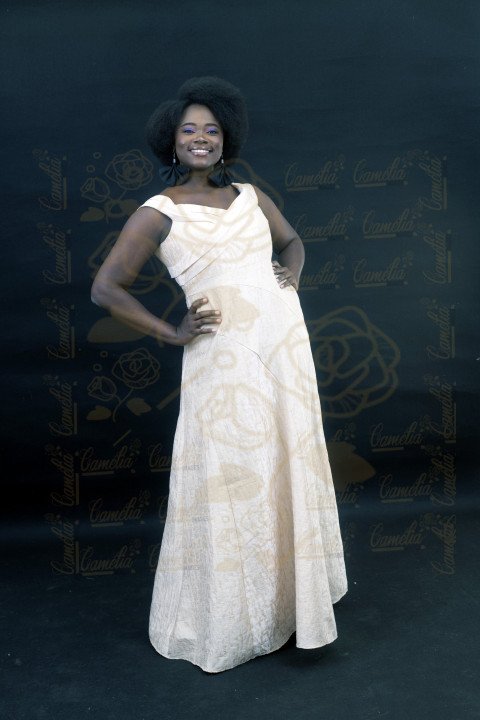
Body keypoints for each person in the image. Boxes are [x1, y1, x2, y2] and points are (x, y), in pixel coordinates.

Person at [91, 76, 348, 674]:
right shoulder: (157, 212)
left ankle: (291, 605)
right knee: (233, 477)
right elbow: (106, 288)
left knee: (284, 462)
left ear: (225, 139)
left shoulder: (252, 197)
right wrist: (173, 331)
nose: (201, 138)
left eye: (211, 129)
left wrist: (290, 278)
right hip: (223, 360)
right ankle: (233, 618)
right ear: (172, 142)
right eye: (189, 130)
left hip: (283, 347)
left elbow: (292, 243)